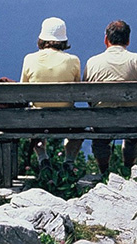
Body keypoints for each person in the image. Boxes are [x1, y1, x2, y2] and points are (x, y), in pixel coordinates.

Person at [82, 20, 137, 174]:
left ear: (106, 39)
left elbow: (87, 95)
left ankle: (104, 172)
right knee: (133, 135)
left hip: (103, 123)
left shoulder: (92, 62)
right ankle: (128, 169)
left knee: (100, 138)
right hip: (133, 122)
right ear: (128, 40)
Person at [20, 16, 83, 166]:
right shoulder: (73, 60)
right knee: (82, 124)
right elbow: (79, 91)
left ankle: (43, 158)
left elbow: (22, 91)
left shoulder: (29, 59)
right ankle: (69, 162)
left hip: (38, 118)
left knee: (30, 116)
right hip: (67, 119)